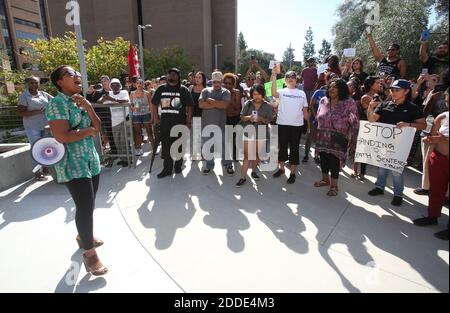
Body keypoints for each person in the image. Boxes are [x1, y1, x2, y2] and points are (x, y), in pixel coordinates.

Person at [46, 66, 107, 276]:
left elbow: (98, 126)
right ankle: (90, 254)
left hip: (91, 159)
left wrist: (89, 107)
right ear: (60, 82)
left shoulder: (80, 100)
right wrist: (89, 130)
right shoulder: (56, 103)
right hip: (73, 164)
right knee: (84, 206)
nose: (77, 77)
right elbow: (62, 136)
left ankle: (83, 237)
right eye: (70, 75)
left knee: (89, 204)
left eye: (77, 74)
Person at [367, 79, 426, 206]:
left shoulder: (412, 108)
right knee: (382, 167)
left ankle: (398, 194)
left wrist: (408, 124)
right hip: (384, 144)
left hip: (400, 146)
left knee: (396, 170)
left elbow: (423, 125)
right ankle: (380, 187)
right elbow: (372, 121)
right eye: (392, 89)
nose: (393, 92)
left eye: (397, 90)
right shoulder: (384, 105)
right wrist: (370, 108)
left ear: (406, 91)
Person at [413, 88, 449, 241]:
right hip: (439, 158)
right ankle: (432, 216)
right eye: (447, 99)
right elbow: (434, 136)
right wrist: (431, 139)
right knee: (436, 190)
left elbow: (441, 138)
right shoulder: (442, 117)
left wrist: (443, 139)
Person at [314, 79, 360, 196]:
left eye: (335, 87)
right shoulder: (324, 100)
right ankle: (325, 180)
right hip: (322, 135)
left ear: (341, 89)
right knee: (323, 159)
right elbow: (318, 114)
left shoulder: (349, 102)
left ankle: (334, 186)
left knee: (334, 161)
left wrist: (353, 138)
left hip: (338, 138)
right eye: (330, 87)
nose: (331, 89)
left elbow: (355, 121)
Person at [152, 68, 194, 178]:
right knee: (166, 148)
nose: (172, 76)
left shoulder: (183, 90)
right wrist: (156, 118)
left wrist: (188, 121)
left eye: (174, 74)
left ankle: (178, 166)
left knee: (179, 147)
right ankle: (167, 169)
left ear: (178, 77)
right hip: (165, 123)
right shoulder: (161, 88)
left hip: (180, 123)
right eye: (170, 74)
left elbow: (190, 106)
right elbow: (154, 104)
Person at [271, 65, 309, 184]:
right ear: (285, 80)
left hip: (297, 126)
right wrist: (274, 75)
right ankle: (281, 169)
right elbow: (273, 92)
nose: (290, 78)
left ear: (296, 79)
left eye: (293, 76)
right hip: (282, 124)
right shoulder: (281, 92)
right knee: (282, 148)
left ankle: (292, 174)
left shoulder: (302, 93)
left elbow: (305, 111)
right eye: (287, 77)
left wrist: (308, 126)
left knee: (294, 149)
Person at [236, 84, 273, 187]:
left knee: (256, 154)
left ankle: (254, 171)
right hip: (249, 131)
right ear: (252, 94)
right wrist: (249, 117)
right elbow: (242, 117)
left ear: (263, 95)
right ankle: (242, 177)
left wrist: (261, 119)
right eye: (255, 94)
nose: (257, 96)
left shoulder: (267, 105)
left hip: (261, 131)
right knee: (248, 156)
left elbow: (269, 120)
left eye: (259, 94)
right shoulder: (248, 103)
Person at [18, 76, 53, 181]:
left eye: (36, 83)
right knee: (35, 148)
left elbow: (56, 101)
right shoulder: (24, 96)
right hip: (32, 126)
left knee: (45, 147)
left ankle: (45, 168)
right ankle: (37, 172)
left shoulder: (43, 94)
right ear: (28, 84)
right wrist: (38, 112)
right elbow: (21, 113)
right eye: (32, 83)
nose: (34, 85)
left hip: (45, 125)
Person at [199, 71, 234, 176]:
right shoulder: (205, 90)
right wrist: (217, 104)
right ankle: (209, 165)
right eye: (214, 81)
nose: (216, 84)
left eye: (218, 81)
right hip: (207, 124)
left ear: (221, 81)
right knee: (208, 147)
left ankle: (228, 165)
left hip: (221, 124)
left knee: (224, 146)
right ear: (212, 81)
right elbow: (201, 105)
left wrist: (210, 101)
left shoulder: (226, 92)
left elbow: (224, 106)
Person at [352, 76, 383, 180]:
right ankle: (357, 171)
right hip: (365, 126)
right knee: (361, 149)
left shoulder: (377, 96)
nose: (380, 84)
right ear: (371, 85)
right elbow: (371, 114)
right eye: (377, 83)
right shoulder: (366, 97)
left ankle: (362, 173)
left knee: (368, 150)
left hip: (373, 126)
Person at [98, 78, 131, 167]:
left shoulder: (124, 92)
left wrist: (110, 99)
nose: (115, 86)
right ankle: (122, 158)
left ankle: (128, 159)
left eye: (117, 84)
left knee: (124, 141)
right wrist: (105, 98)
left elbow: (125, 101)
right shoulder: (109, 93)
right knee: (117, 141)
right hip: (114, 121)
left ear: (120, 85)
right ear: (110, 86)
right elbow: (100, 102)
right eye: (112, 85)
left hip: (124, 119)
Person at [130, 79, 154, 156]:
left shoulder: (147, 93)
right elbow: (130, 104)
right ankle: (138, 148)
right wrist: (133, 108)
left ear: (143, 85)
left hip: (146, 114)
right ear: (135, 85)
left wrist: (152, 116)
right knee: (137, 133)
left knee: (149, 132)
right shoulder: (132, 94)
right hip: (136, 115)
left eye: (141, 83)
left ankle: (154, 148)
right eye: (137, 83)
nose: (139, 85)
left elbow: (151, 105)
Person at [224, 73, 242, 162]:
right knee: (227, 140)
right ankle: (227, 158)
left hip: (235, 118)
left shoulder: (237, 92)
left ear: (233, 84)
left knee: (236, 139)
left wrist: (229, 97)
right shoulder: (221, 92)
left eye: (229, 83)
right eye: (226, 83)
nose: (227, 85)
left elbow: (237, 108)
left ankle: (236, 156)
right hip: (225, 118)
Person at [189, 72, 207, 161]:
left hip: (204, 114)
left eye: (199, 77)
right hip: (194, 114)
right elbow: (187, 102)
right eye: (196, 77)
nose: (197, 79)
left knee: (203, 136)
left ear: (203, 79)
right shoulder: (191, 88)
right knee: (195, 135)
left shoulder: (206, 89)